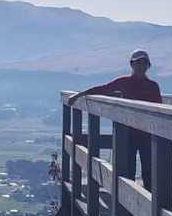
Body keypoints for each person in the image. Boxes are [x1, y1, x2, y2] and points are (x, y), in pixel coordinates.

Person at [67, 50, 161, 191]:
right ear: (131, 65)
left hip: (147, 134)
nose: (141, 66)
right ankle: (128, 201)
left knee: (148, 171)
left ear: (148, 66)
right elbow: (103, 89)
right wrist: (79, 95)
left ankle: (150, 201)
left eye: (144, 63)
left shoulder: (153, 86)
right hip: (128, 134)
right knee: (128, 170)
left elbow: (159, 110)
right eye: (138, 63)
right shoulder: (123, 82)